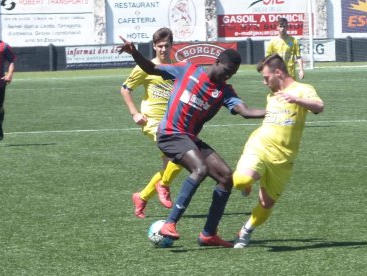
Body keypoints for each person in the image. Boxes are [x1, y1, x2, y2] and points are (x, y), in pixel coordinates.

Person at [118, 37, 266, 247]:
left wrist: (273, 111)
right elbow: (151, 68)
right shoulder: (187, 70)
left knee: (226, 177)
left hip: (188, 138)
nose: (227, 76)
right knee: (200, 168)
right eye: (226, 70)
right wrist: (134, 52)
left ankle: (208, 234)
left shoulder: (224, 91)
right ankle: (170, 224)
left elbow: (246, 111)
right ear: (216, 62)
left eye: (231, 74)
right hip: (169, 133)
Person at [232, 53, 324, 248]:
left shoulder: (303, 89)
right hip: (261, 145)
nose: (264, 83)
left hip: (284, 159)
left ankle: (246, 230)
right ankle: (247, 184)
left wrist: (296, 100)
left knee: (266, 206)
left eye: (266, 78)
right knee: (241, 180)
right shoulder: (272, 95)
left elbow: (319, 106)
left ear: (278, 72)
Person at [120, 28, 183, 218]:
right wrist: (134, 113)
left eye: (167, 45)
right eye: (160, 46)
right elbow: (125, 89)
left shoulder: (177, 68)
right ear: (154, 47)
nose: (163, 49)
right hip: (153, 122)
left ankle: (142, 196)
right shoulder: (145, 67)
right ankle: (162, 186)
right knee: (180, 157)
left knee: (170, 165)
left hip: (173, 123)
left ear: (172, 46)